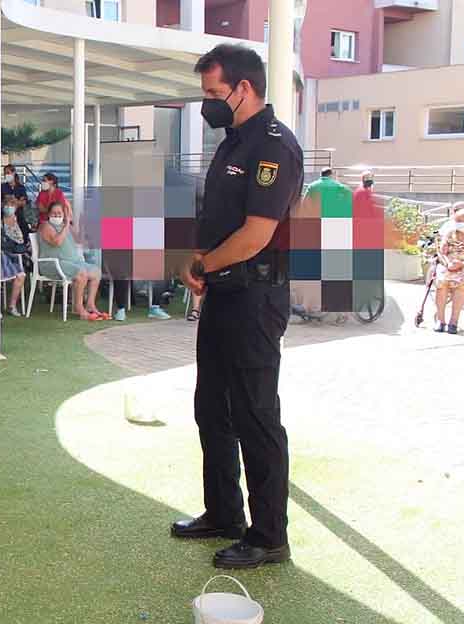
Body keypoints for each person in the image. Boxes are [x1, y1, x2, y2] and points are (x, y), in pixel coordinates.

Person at [174, 43, 303, 570]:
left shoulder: (274, 146)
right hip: (226, 294)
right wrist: (200, 257)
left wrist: (204, 266)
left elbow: (254, 236)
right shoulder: (231, 144)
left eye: (212, 93)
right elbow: (223, 223)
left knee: (255, 415)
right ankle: (224, 513)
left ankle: (268, 534)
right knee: (213, 409)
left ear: (243, 89)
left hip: (255, 296)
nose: (207, 103)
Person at [39, 203, 105, 321]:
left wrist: (71, 221)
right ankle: (78, 308)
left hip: (72, 262)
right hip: (53, 264)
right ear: (49, 214)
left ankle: (90, 304)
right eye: (54, 213)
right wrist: (65, 226)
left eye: (59, 213)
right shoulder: (45, 226)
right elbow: (57, 242)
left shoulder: (66, 225)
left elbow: (79, 239)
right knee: (81, 274)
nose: (57, 216)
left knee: (96, 272)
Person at [432, 205, 464, 334]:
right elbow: (441, 252)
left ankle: (453, 322)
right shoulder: (450, 234)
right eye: (458, 221)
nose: (461, 224)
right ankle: (440, 320)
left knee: (461, 283)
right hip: (449, 265)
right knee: (441, 282)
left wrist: (462, 264)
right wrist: (448, 263)